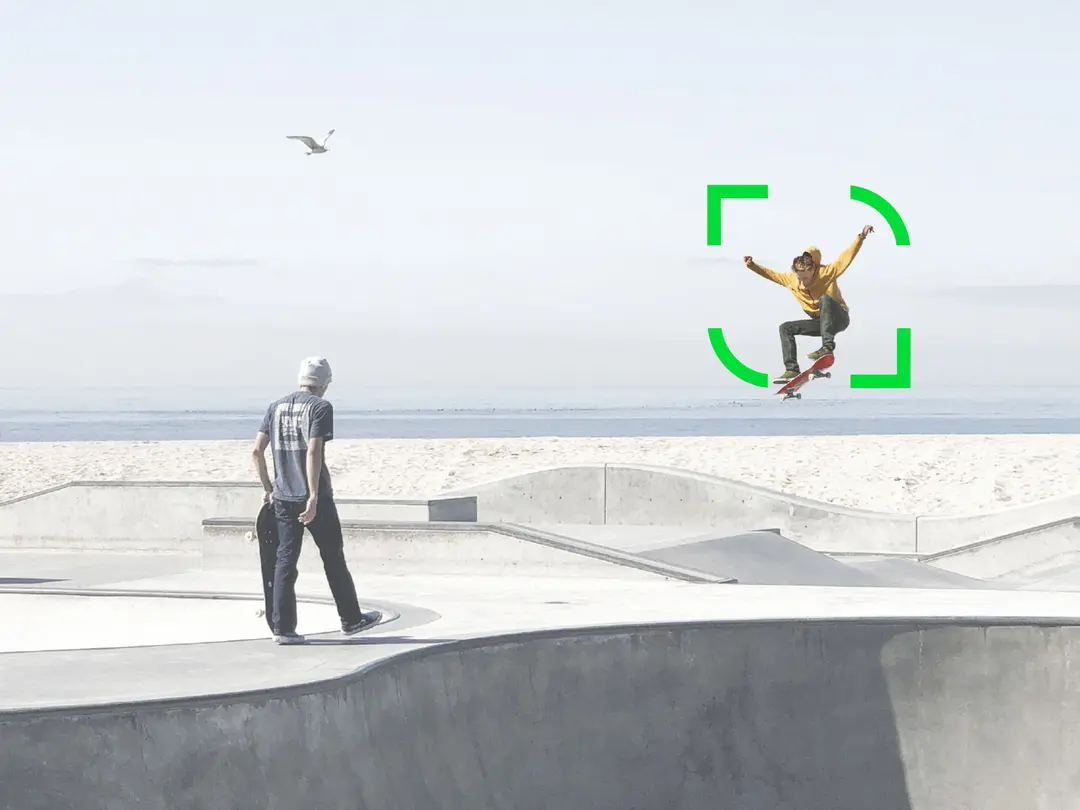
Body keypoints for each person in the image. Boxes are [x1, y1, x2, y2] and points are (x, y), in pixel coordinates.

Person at [251, 356, 378, 644]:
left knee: (285, 559)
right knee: (333, 557)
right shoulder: (320, 407)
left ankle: (283, 629)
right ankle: (351, 619)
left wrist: (268, 488)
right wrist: (313, 497)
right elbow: (313, 451)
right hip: (312, 498)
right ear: (325, 383)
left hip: (282, 496)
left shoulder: (275, 406)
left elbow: (256, 451)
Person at [743, 224, 874, 382]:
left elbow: (847, 257)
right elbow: (771, 274)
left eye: (805, 278)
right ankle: (791, 370)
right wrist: (752, 266)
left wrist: (861, 237)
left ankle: (827, 348)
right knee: (785, 328)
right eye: (800, 278)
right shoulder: (791, 279)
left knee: (825, 299)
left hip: (839, 317)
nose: (803, 282)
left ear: (813, 270)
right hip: (820, 323)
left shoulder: (826, 273)